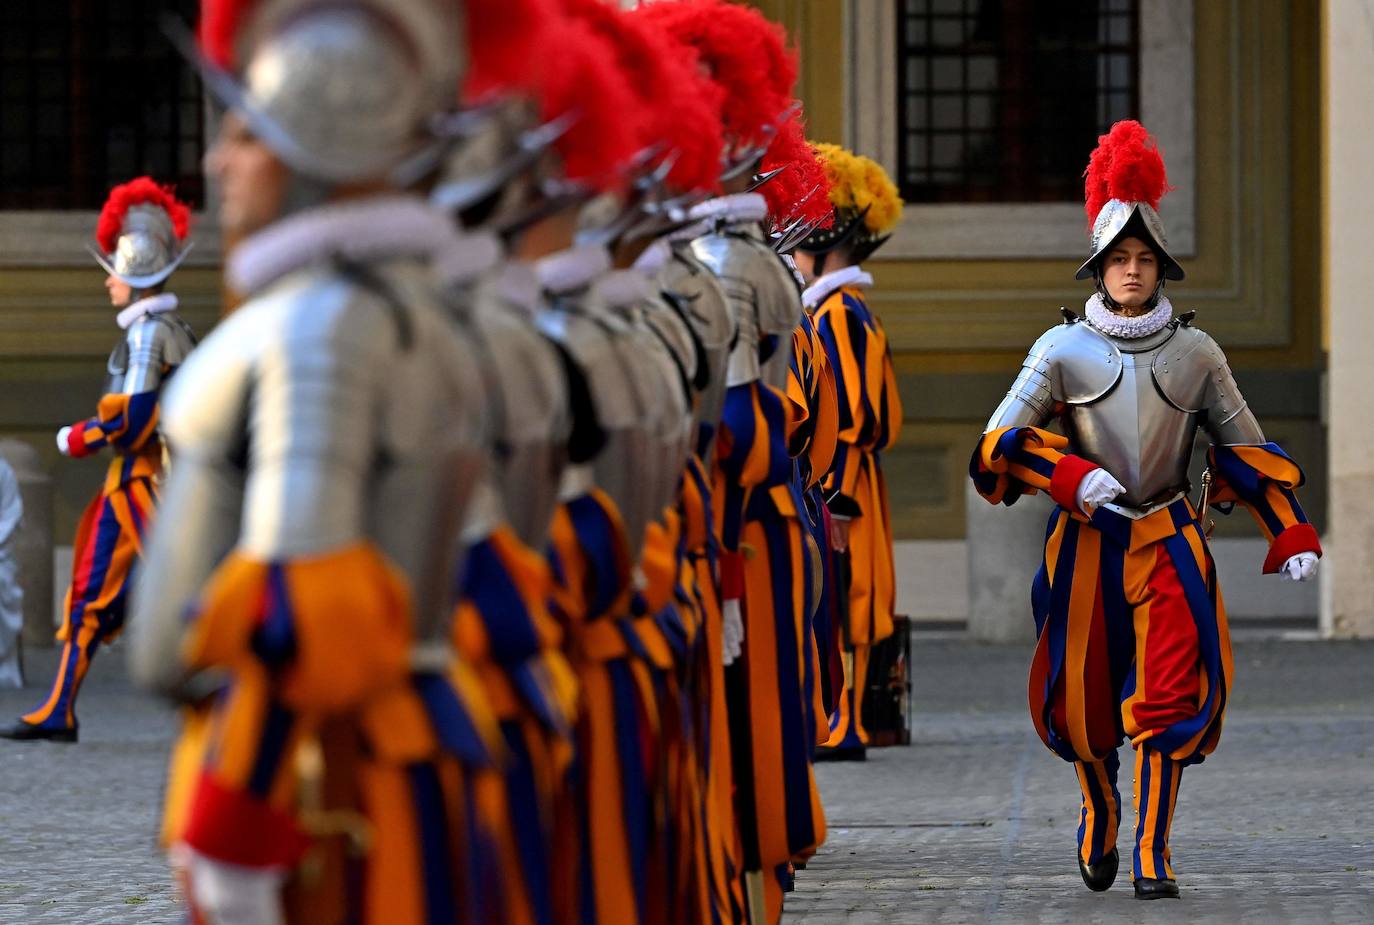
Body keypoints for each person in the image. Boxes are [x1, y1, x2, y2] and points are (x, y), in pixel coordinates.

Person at [125, 0, 501, 921]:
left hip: (317, 783)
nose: (219, 162)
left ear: (318, 142)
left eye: (245, 134)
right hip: (382, 758)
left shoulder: (318, 326)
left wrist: (235, 819)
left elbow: (298, 605)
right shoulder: (390, 307)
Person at [969, 120, 1321, 900]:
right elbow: (997, 443)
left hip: (1168, 539)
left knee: (1168, 695)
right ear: (1099, 269)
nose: (1132, 270)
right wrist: (1067, 478)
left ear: (1162, 267)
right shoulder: (1058, 349)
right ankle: (1100, 807)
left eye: (1144, 259)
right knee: (1084, 701)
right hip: (1088, 544)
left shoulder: (1198, 353)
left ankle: (1154, 847)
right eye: (1119, 259)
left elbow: (1244, 450)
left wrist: (1289, 529)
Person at [1, 178, 195, 743]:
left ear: (134, 276)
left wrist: (75, 437)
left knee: (93, 594)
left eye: (114, 271)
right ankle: (59, 706)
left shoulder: (147, 337)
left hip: (137, 486)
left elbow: (132, 421)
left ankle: (61, 708)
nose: (107, 281)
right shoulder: (170, 330)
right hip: (164, 484)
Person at [790, 143, 904, 761]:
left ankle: (847, 721)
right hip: (857, 472)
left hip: (845, 475)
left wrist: (829, 488)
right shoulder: (851, 307)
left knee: (846, 588)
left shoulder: (836, 312)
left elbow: (846, 414)